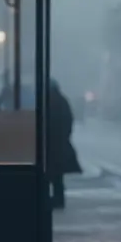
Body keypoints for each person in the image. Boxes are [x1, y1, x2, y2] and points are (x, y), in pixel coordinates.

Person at [48, 79, 83, 210]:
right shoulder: (62, 101)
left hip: (50, 144)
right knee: (57, 177)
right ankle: (59, 199)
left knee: (48, 175)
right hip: (59, 144)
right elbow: (69, 120)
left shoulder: (46, 101)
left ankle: (52, 199)